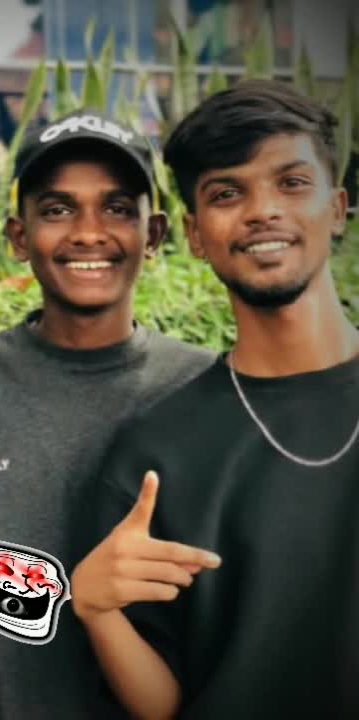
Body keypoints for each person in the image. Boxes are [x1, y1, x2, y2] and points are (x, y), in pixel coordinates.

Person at [72, 80, 359, 719]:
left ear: (338, 208)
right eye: (227, 193)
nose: (263, 211)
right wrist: (96, 608)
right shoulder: (155, 456)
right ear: (196, 235)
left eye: (292, 183)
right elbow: (163, 704)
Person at [0, 110, 215, 719]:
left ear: (154, 235)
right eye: (57, 209)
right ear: (18, 236)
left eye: (117, 208)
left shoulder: (204, 387)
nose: (88, 233)